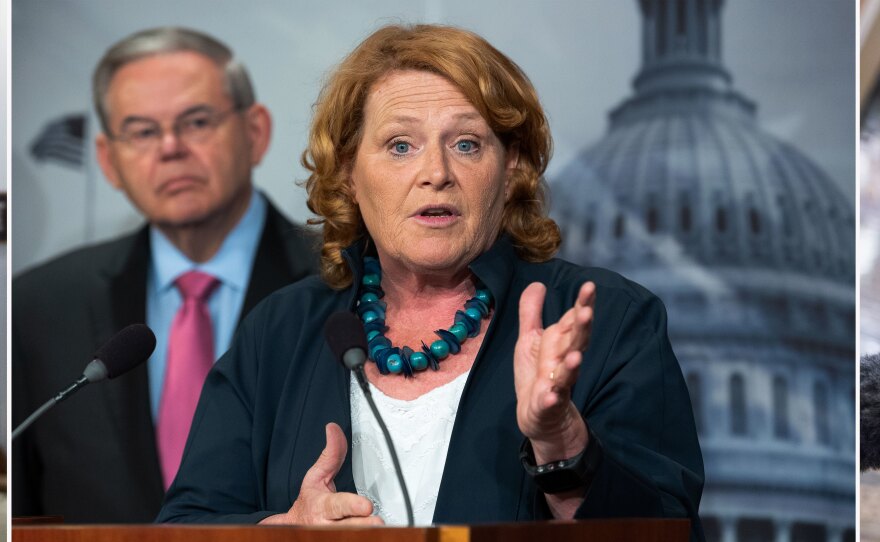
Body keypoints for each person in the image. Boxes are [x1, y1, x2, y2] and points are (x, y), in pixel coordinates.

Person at [157, 24, 704, 539]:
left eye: (466, 143)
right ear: (348, 172)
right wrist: (282, 532)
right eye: (401, 145)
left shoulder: (606, 321)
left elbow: (667, 531)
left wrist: (561, 440)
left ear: (511, 166)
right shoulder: (278, 332)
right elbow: (184, 525)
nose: (436, 172)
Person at [12, 27, 318, 523]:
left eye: (196, 121)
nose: (171, 147)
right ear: (109, 161)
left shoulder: (344, 281)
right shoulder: (39, 306)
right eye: (143, 131)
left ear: (255, 133)